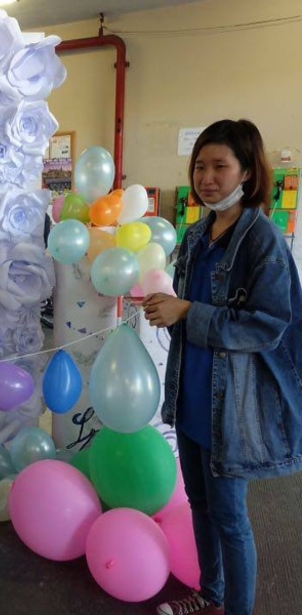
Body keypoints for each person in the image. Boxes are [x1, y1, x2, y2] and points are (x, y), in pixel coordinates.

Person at [143, 119, 302, 615]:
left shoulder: (263, 241)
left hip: (230, 407)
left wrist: (188, 312)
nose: (206, 178)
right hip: (191, 395)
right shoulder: (196, 234)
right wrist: (165, 308)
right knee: (200, 505)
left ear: (248, 173)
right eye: (199, 167)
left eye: (220, 166)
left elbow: (268, 325)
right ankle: (210, 594)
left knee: (231, 518)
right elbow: (186, 310)